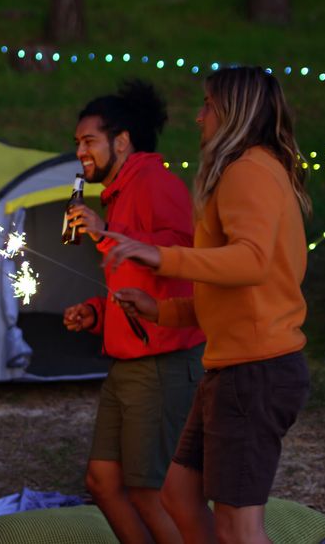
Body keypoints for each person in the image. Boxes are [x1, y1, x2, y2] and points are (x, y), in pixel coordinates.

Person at [100, 67, 312, 544]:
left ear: (233, 112)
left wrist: (160, 255)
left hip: (255, 372)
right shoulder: (257, 169)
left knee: (240, 526)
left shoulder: (248, 171)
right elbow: (236, 290)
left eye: (208, 105)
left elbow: (252, 261)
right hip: (233, 369)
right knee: (177, 493)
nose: (199, 117)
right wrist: (161, 311)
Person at [62, 80, 206, 544]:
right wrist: (96, 312)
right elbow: (137, 282)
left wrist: (106, 233)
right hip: (128, 362)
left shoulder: (156, 183)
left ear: (121, 141)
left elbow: (180, 257)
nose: (80, 152)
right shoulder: (120, 193)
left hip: (163, 362)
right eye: (77, 143)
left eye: (89, 141)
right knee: (102, 482)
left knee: (150, 491)